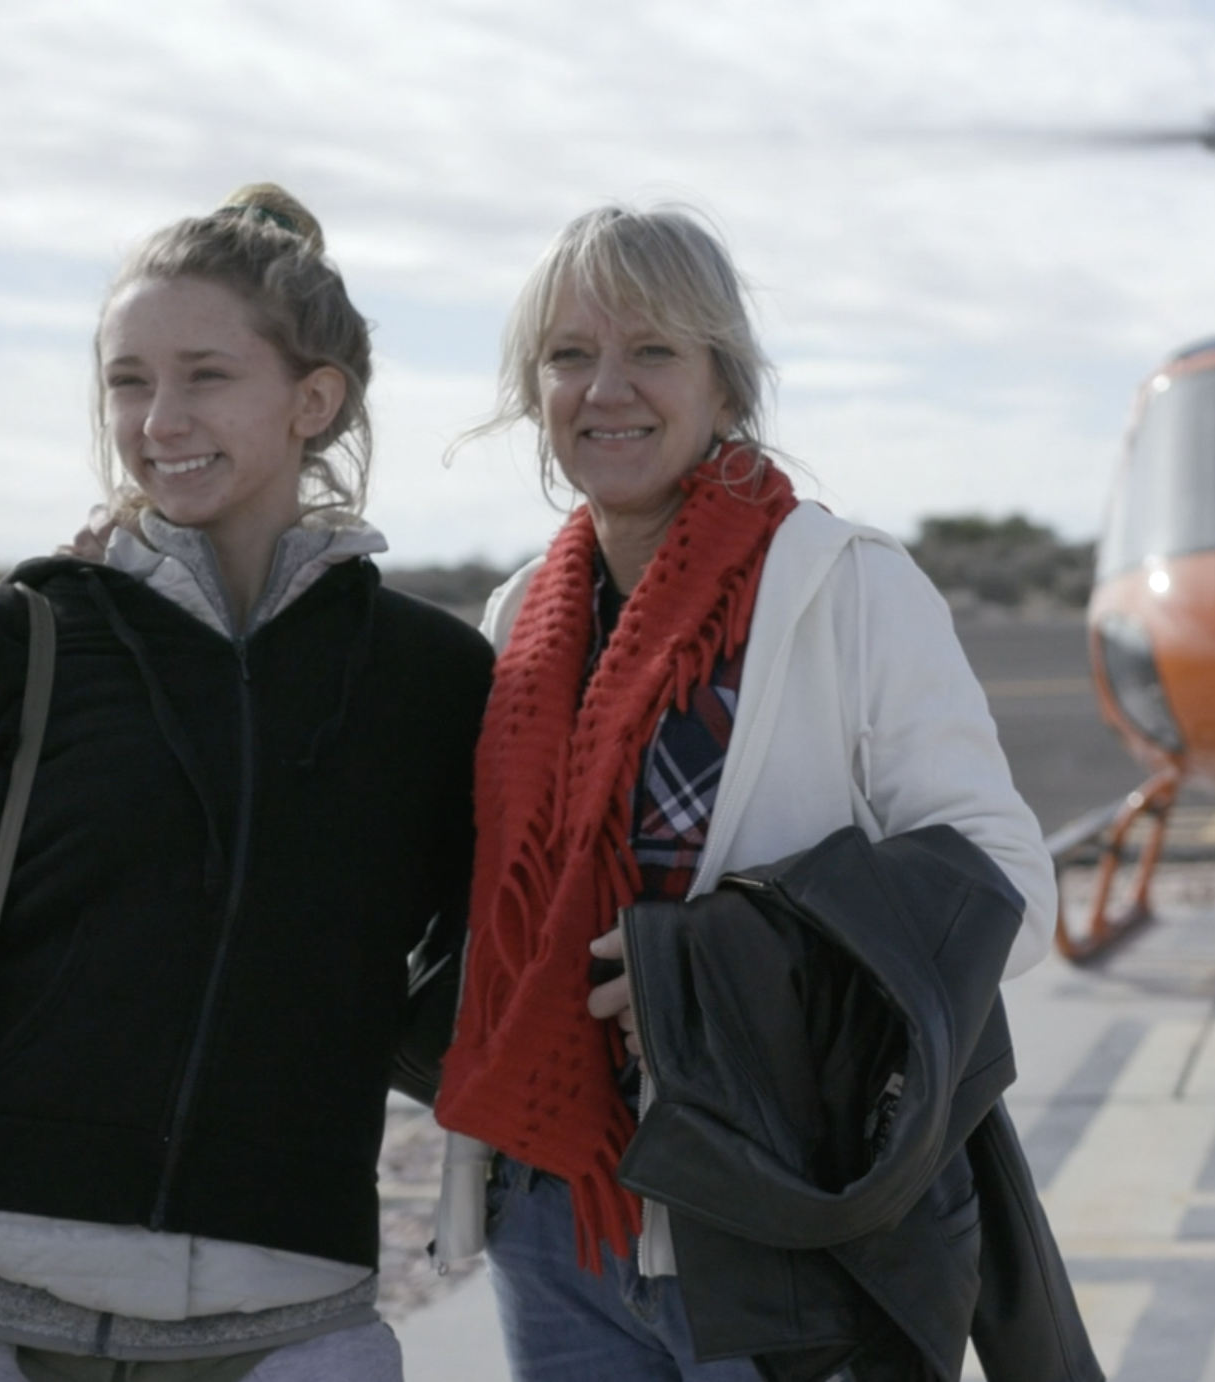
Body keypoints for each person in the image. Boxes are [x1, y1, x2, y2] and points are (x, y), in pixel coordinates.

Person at [0, 186, 494, 1382]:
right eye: (127, 379)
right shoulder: (4, 645)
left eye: (205, 374)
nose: (158, 418)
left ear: (313, 399)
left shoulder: (432, 679)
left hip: (291, 1310)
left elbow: (493, 951)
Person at [428, 204, 1058, 1381]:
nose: (605, 386)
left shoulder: (848, 588)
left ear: (725, 385)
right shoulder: (522, 618)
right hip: (556, 1214)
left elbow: (1008, 892)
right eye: (569, 355)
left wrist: (723, 961)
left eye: (653, 350)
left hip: (776, 1231)